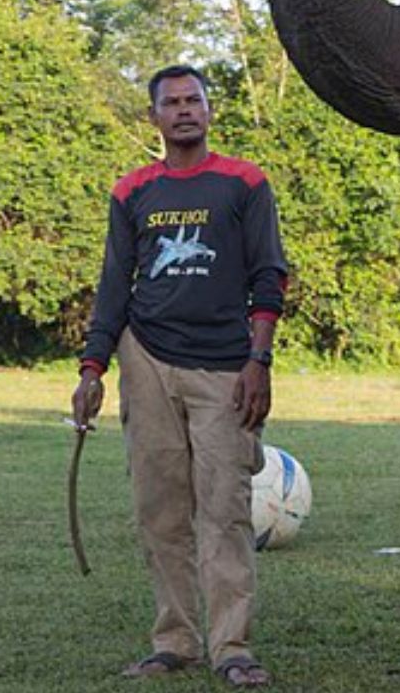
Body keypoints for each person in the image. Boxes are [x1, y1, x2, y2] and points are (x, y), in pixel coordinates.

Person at [71, 64, 289, 688]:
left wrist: (259, 359)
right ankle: (175, 640)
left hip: (226, 364)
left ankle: (232, 647)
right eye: (172, 103)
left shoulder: (244, 184)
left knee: (224, 507)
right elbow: (115, 286)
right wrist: (93, 368)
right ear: (155, 118)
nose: (185, 110)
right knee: (159, 508)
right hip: (147, 360)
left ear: (209, 111)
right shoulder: (132, 192)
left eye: (194, 100)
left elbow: (269, 275)